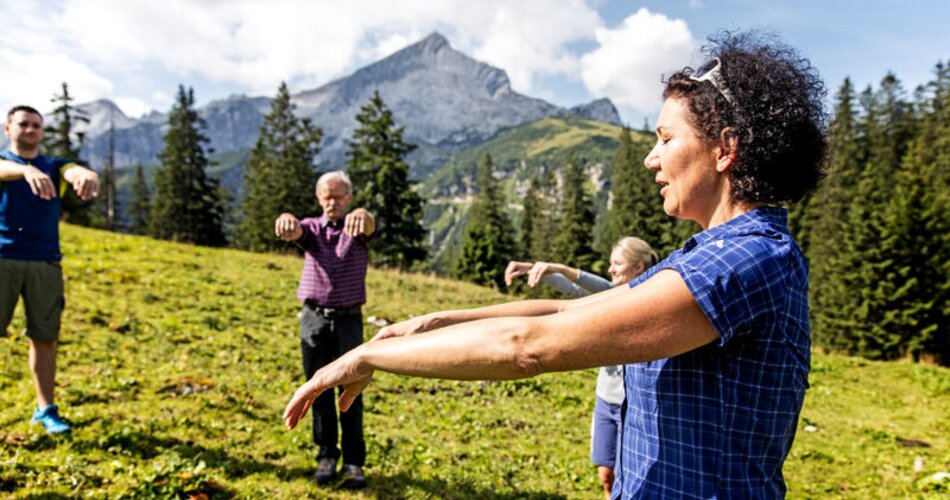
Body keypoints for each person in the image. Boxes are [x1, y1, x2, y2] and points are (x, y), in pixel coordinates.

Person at [284, 30, 825, 498]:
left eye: (665, 138)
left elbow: (528, 347)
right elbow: (567, 311)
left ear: (725, 149)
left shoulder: (746, 259)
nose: (650, 158)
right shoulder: (708, 252)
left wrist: (373, 357)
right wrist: (433, 323)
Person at [504, 236, 659, 499]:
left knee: (628, 476)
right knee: (605, 474)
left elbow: (605, 288)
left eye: (617, 263)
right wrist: (535, 270)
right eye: (611, 263)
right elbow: (576, 293)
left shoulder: (645, 299)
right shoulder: (608, 301)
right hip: (605, 400)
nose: (611, 269)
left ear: (638, 268)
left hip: (632, 406)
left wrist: (560, 268)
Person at [1, 105, 100, 434]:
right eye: (23, 124)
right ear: (8, 129)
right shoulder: (5, 163)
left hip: (45, 263)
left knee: (44, 337)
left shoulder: (54, 166)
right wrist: (23, 171)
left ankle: (46, 410)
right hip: (4, 259)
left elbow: (74, 171)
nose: (30, 130)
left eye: (36, 126)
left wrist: (85, 175)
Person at [274, 170, 375, 489]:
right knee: (317, 390)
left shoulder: (356, 227)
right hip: (313, 320)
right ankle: (326, 455)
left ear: (349, 198)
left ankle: (355, 462)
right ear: (319, 199)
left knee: (351, 389)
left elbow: (369, 226)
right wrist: (286, 220)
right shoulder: (311, 229)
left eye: (339, 196)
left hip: (348, 320)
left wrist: (365, 215)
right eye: (327, 196)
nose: (333, 202)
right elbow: (294, 231)